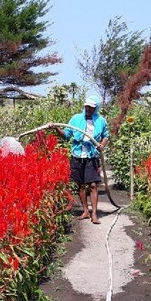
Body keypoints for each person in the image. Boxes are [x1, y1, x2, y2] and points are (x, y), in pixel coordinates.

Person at [52, 95, 109, 224]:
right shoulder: (76, 119)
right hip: (77, 155)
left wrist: (102, 145)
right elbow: (66, 135)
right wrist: (56, 128)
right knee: (80, 185)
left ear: (96, 108)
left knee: (93, 185)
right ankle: (85, 211)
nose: (88, 109)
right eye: (86, 106)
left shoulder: (101, 121)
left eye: (91, 107)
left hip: (92, 156)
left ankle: (94, 214)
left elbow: (106, 136)